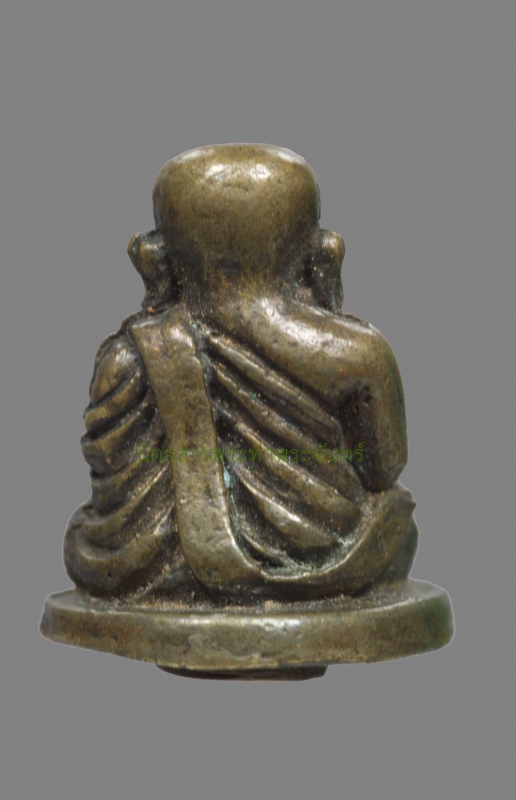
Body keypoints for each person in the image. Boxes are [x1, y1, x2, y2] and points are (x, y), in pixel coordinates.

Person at [65, 144, 417, 602]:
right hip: (335, 556)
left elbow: (111, 488)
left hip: (138, 573)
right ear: (319, 247)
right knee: (395, 516)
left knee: (81, 534)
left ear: (157, 253)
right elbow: (384, 470)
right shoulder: (358, 354)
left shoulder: (127, 359)